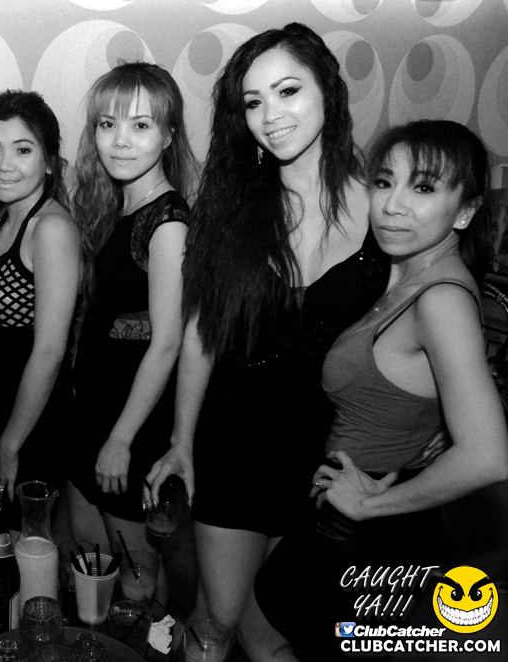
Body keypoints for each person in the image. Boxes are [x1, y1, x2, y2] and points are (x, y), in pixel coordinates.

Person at [145, 23, 388, 660]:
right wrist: (182, 441)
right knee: (219, 619)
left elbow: (411, 327)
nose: (270, 115)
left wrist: (428, 423)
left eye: (287, 91)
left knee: (279, 626)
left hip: (329, 456)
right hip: (237, 443)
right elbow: (201, 335)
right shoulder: (233, 210)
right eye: (253, 102)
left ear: (328, 92)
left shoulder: (383, 212)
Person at [255, 120, 508, 660]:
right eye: (384, 181)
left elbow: (488, 455)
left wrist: (371, 505)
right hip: (355, 510)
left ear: (465, 211)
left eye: (423, 187)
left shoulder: (441, 300)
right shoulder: (407, 277)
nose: (393, 205)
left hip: (369, 525)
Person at [68, 62, 195, 582]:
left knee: (136, 578)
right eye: (108, 124)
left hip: (131, 423)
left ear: (168, 135)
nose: (120, 140)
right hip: (94, 411)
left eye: (140, 125)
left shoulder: (167, 222)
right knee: (90, 564)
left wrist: (121, 439)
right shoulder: (117, 209)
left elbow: (166, 343)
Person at [0, 90, 81, 526]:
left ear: (50, 162)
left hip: (32, 425)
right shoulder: (7, 219)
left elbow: (51, 351)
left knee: (27, 551)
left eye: (22, 150)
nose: (4, 164)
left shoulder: (50, 228)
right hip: (1, 409)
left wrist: (9, 444)